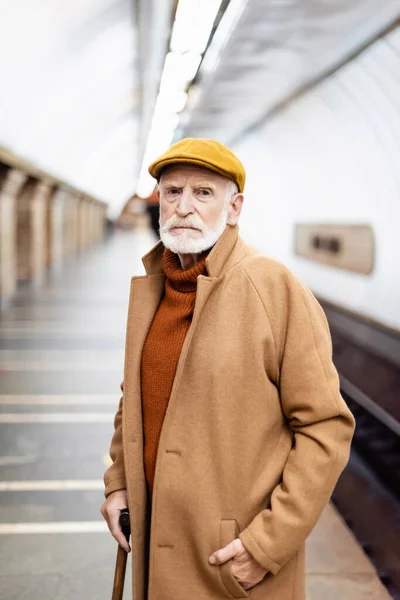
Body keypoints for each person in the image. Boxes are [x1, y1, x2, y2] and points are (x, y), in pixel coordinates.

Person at [101, 138, 355, 600]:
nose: (184, 207)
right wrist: (119, 482)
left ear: (234, 207)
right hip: (158, 544)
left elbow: (326, 427)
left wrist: (265, 546)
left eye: (203, 193)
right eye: (173, 192)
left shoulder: (273, 289)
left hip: (228, 560)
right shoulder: (154, 289)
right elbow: (132, 399)